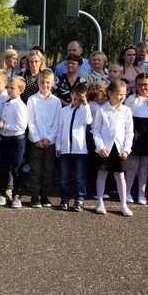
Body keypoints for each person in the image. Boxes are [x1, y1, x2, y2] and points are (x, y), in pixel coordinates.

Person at [91, 79, 134, 216]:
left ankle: (123, 204)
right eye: (119, 94)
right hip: (105, 148)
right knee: (102, 173)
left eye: (124, 94)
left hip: (120, 148)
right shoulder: (101, 110)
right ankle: (100, 202)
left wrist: (126, 149)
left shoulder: (126, 111)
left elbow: (129, 132)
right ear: (110, 93)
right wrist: (100, 147)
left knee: (120, 175)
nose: (122, 97)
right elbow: (95, 130)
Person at [124, 73, 148, 205]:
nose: (142, 87)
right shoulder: (131, 99)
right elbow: (126, 120)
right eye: (139, 85)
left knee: (144, 167)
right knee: (132, 165)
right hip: (135, 133)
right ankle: (127, 192)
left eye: (146, 85)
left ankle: (142, 193)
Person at [24, 70, 60, 208]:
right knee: (35, 169)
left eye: (48, 82)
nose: (45, 85)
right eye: (42, 82)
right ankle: (35, 196)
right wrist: (37, 139)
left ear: (52, 83)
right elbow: (30, 121)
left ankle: (45, 195)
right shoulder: (32, 100)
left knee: (48, 169)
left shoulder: (56, 101)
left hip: (50, 141)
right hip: (35, 141)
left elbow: (57, 122)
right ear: (37, 83)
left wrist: (49, 138)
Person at [56, 83, 92, 211]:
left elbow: (88, 121)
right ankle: (64, 199)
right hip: (65, 148)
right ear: (71, 95)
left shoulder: (84, 110)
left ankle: (79, 200)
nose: (77, 102)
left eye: (80, 100)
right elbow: (60, 129)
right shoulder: (64, 111)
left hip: (79, 149)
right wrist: (58, 146)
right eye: (75, 98)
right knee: (64, 176)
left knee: (79, 176)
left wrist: (85, 104)